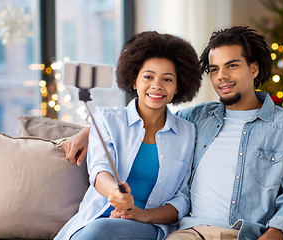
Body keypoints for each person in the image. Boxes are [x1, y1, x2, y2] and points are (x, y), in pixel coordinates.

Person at [65, 26, 283, 240]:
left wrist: (275, 234)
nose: (222, 77)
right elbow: (148, 116)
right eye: (215, 69)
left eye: (232, 65)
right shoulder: (199, 118)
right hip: (188, 233)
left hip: (241, 234)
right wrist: (90, 130)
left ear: (253, 69)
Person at [54, 31, 202, 240]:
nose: (157, 86)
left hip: (146, 226)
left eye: (167, 79)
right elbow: (99, 169)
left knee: (102, 231)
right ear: (134, 81)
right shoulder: (106, 120)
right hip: (96, 218)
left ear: (178, 86)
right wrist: (114, 193)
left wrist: (143, 215)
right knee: (98, 229)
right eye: (148, 77)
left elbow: (182, 198)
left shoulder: (187, 133)